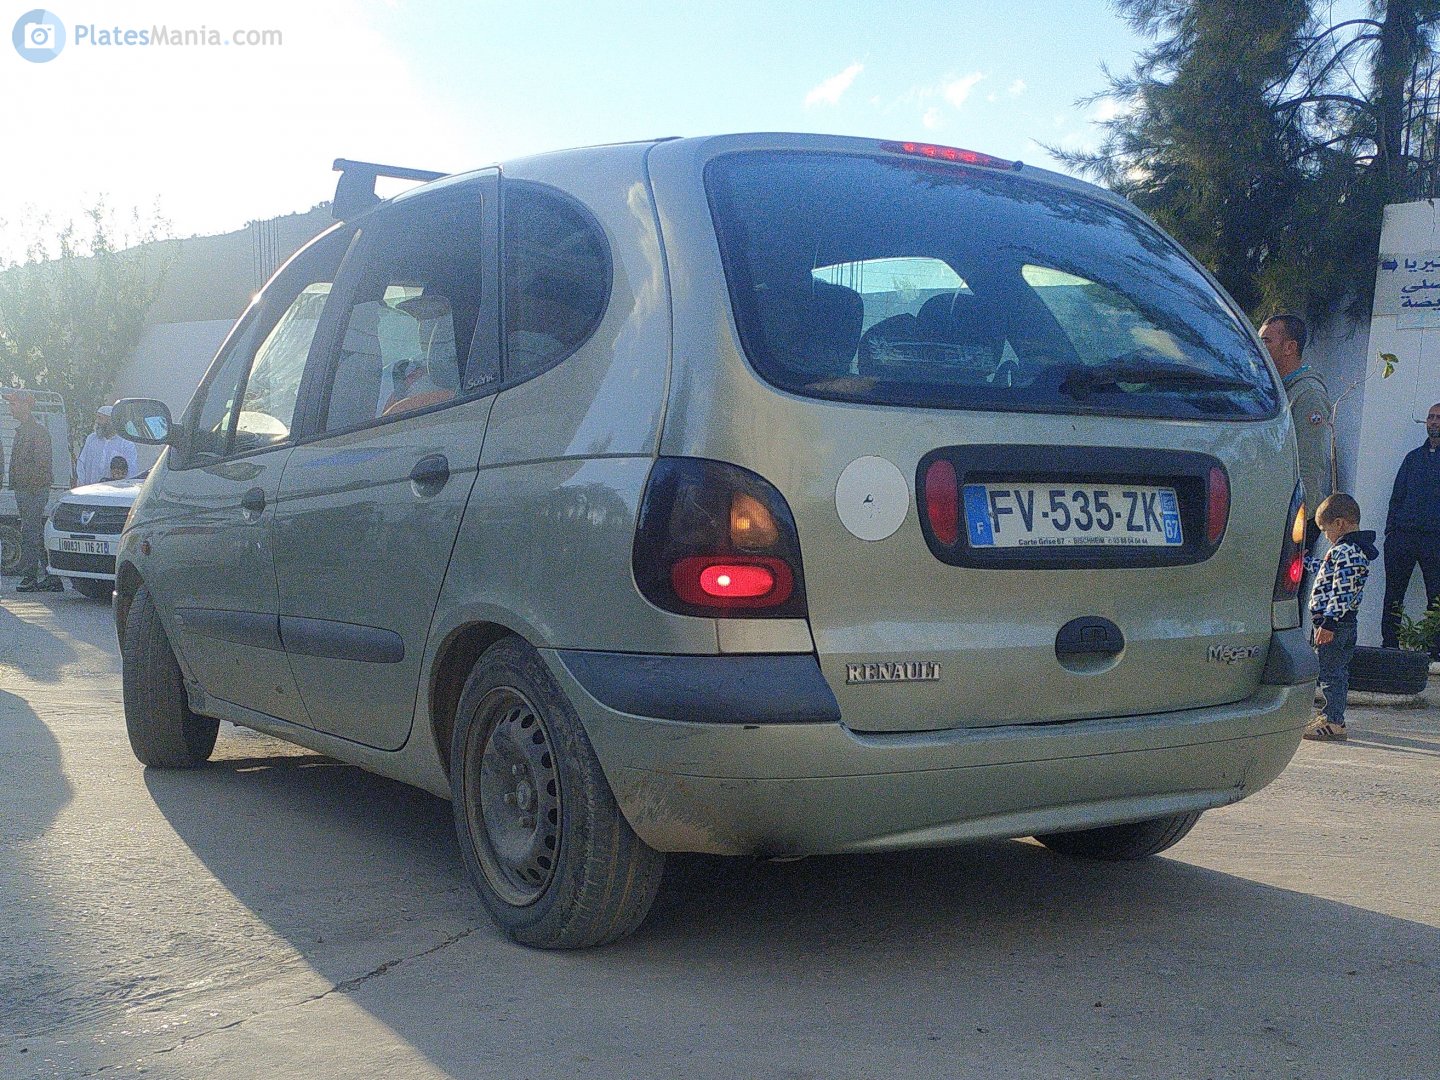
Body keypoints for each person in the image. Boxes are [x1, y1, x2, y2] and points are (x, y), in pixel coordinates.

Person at [1305, 493, 1377, 742]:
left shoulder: (1348, 551)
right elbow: (1328, 572)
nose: (1326, 536)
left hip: (1335, 625)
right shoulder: (1348, 551)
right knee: (1336, 671)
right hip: (1342, 624)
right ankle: (1331, 715)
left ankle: (1333, 721)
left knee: (1330, 673)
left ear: (1340, 523)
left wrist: (1329, 623)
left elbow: (1341, 590)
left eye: (1325, 530)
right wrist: (1306, 563)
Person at [1260, 314, 1334, 544]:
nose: (1259, 348)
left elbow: (1310, 464)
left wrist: (1299, 522)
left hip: (1293, 521)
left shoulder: (1308, 395)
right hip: (1274, 513)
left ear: (1289, 347)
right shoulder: (1279, 390)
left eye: (1266, 341)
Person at [1379, 401, 1440, 655]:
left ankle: (1435, 651)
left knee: (1436, 598)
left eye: (1438, 418)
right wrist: (1390, 532)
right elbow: (1397, 496)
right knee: (1393, 594)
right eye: (1430, 417)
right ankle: (1389, 646)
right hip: (1402, 537)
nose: (1434, 422)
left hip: (1435, 540)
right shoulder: (1413, 458)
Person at [4, 389, 62, 593]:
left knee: (31, 532)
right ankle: (50, 577)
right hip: (26, 490)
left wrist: (25, 484)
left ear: (26, 406)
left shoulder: (37, 432)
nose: (11, 408)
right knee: (32, 532)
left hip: (33, 491)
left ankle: (32, 577)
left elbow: (42, 466)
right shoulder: (24, 431)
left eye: (14, 404)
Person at [75, 404, 138, 487]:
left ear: (111, 421)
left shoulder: (126, 444)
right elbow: (81, 464)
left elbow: (131, 472)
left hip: (112, 494)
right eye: (97, 417)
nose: (97, 421)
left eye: (100, 418)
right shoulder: (91, 439)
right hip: (90, 493)